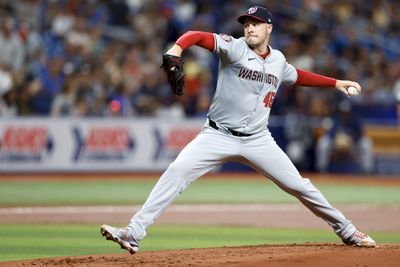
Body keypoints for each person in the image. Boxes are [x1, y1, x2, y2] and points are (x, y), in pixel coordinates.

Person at [100, 6, 376, 254]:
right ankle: (134, 232)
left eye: (256, 23)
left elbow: (297, 76)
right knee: (177, 172)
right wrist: (177, 48)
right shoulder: (234, 48)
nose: (250, 28)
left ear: (269, 28)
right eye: (246, 24)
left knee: (300, 186)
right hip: (217, 135)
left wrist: (335, 82)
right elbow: (196, 35)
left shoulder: (278, 60)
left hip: (258, 140)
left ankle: (348, 230)